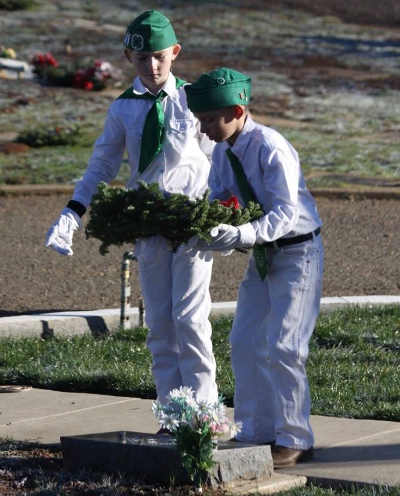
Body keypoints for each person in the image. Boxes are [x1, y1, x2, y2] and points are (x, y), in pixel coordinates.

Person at [45, 10, 218, 412]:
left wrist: (224, 210)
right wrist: (73, 212)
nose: (152, 66)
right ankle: (173, 413)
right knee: (160, 323)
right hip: (148, 223)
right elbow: (102, 165)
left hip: (192, 223)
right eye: (142, 59)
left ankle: (206, 414)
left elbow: (218, 158)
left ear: (174, 52)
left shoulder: (195, 100)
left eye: (160, 56)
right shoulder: (123, 109)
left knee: (190, 320)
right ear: (128, 58)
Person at [185, 67, 324, 468]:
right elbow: (221, 195)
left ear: (237, 109)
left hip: (298, 253)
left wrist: (242, 234)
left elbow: (285, 212)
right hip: (265, 256)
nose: (205, 128)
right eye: (201, 120)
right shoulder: (224, 151)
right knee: (245, 341)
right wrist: (206, 228)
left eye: (211, 119)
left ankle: (295, 437)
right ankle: (256, 429)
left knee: (285, 346)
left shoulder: (271, 147)